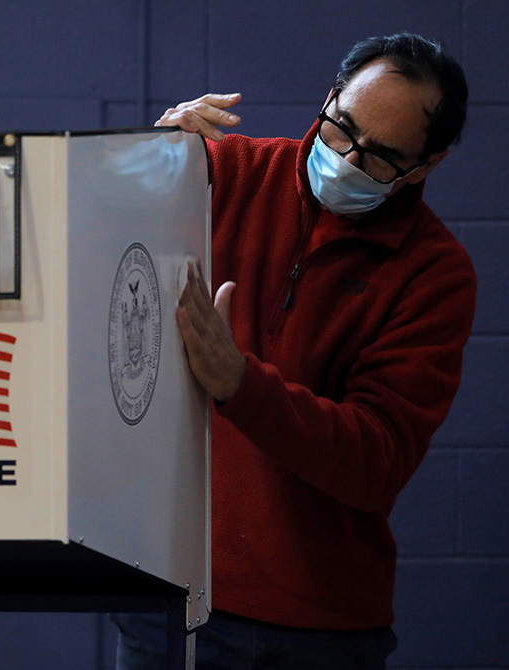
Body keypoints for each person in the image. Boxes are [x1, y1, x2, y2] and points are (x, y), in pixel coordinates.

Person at [114, 33, 476, 669]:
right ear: (330, 96)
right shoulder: (222, 170)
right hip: (175, 599)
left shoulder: (435, 273)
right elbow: (99, 274)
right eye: (341, 129)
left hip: (321, 626)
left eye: (381, 159)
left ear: (428, 165)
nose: (346, 159)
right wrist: (149, 160)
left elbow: (377, 460)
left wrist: (240, 384)